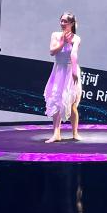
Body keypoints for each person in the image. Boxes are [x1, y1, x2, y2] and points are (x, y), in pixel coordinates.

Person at [44, 11, 82, 143]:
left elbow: (74, 54)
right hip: (59, 71)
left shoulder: (76, 38)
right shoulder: (55, 35)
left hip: (70, 70)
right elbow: (52, 52)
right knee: (56, 100)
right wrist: (62, 42)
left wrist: (74, 71)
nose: (62, 23)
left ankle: (75, 133)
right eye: (61, 20)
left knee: (71, 104)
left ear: (72, 23)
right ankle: (56, 134)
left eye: (65, 21)